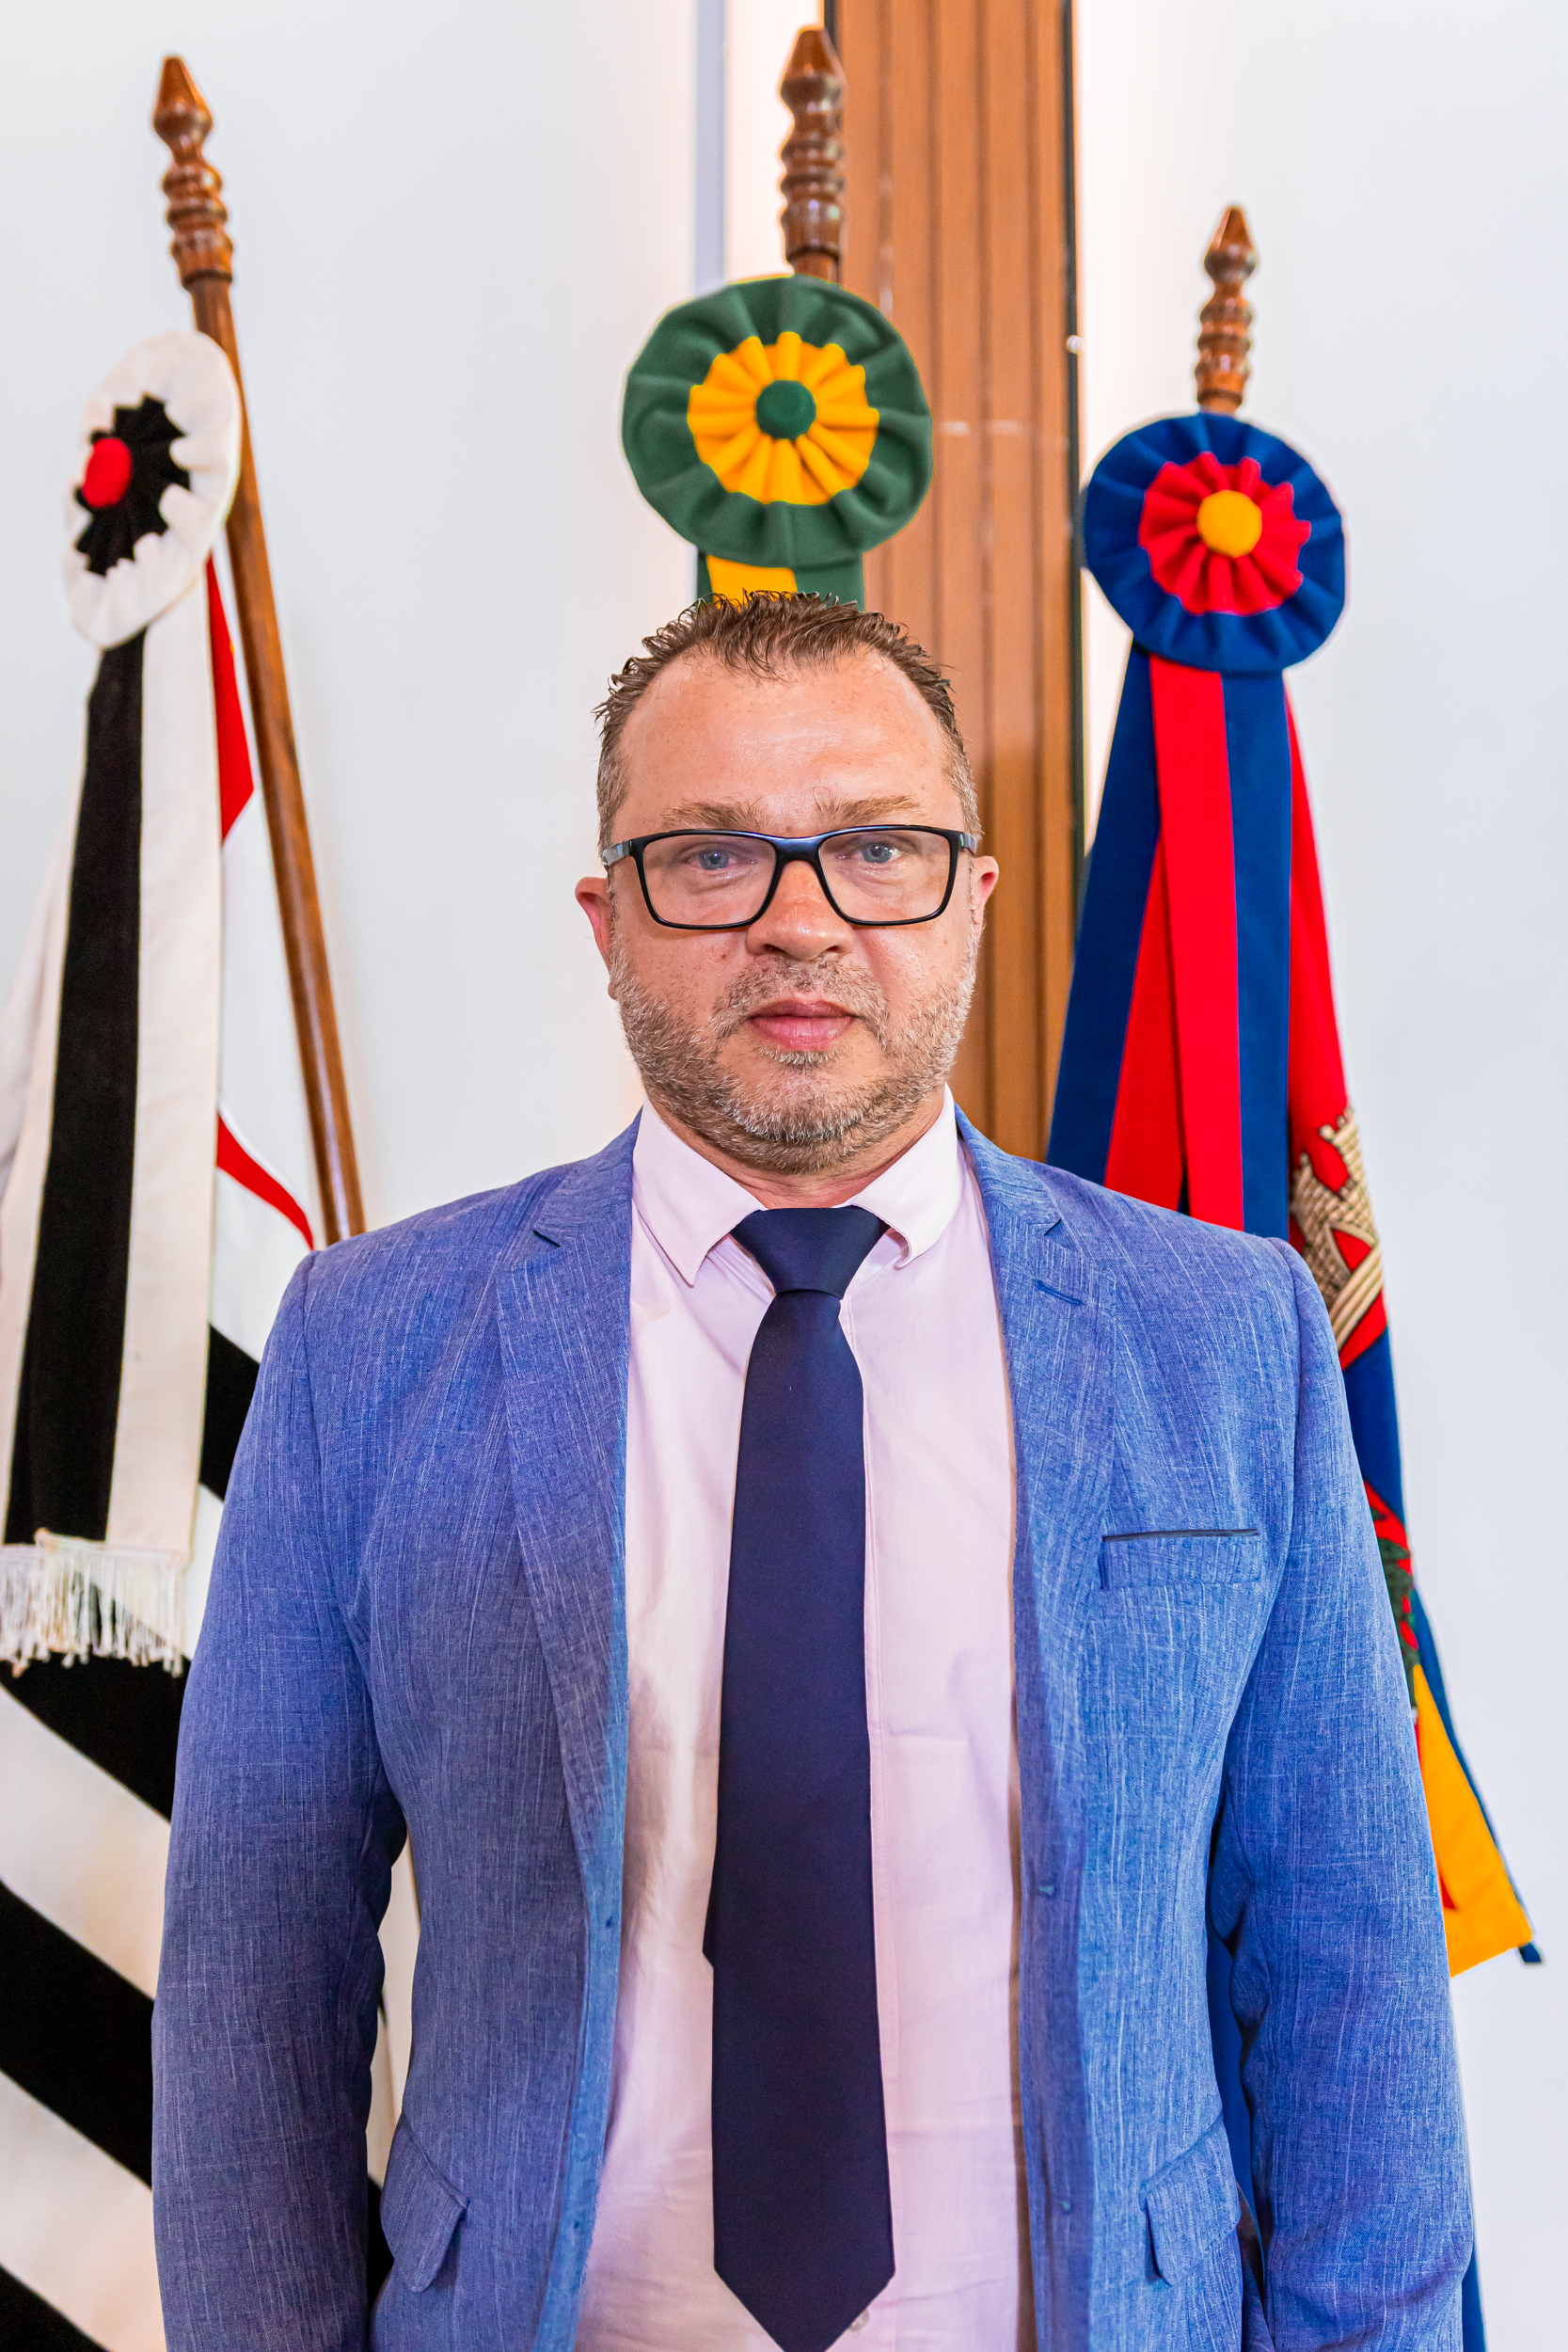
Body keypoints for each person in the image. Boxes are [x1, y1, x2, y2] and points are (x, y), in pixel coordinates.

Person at [152, 594, 1470, 2352]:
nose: (801, 919)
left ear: (973, 899)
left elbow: (1348, 1952)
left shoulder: (1223, 1335)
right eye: (711, 857)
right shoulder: (369, 1343)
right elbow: (259, 1968)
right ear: (607, 922)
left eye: (878, 849)